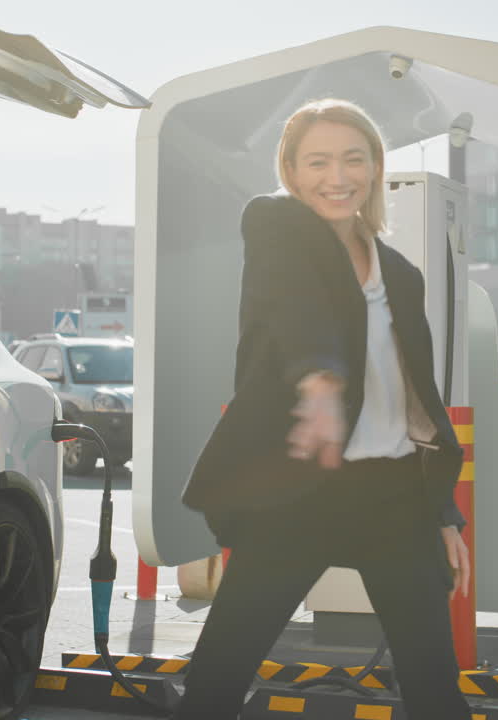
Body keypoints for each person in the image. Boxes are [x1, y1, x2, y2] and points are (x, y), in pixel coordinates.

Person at [176, 98, 473, 719]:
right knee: (219, 675)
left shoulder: (401, 273)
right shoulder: (275, 225)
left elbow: (418, 397)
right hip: (299, 489)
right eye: (317, 162)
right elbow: (297, 311)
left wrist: (442, 512)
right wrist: (318, 383)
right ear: (290, 169)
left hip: (395, 497)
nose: (337, 177)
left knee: (435, 685)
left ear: (375, 166)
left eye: (352, 159)